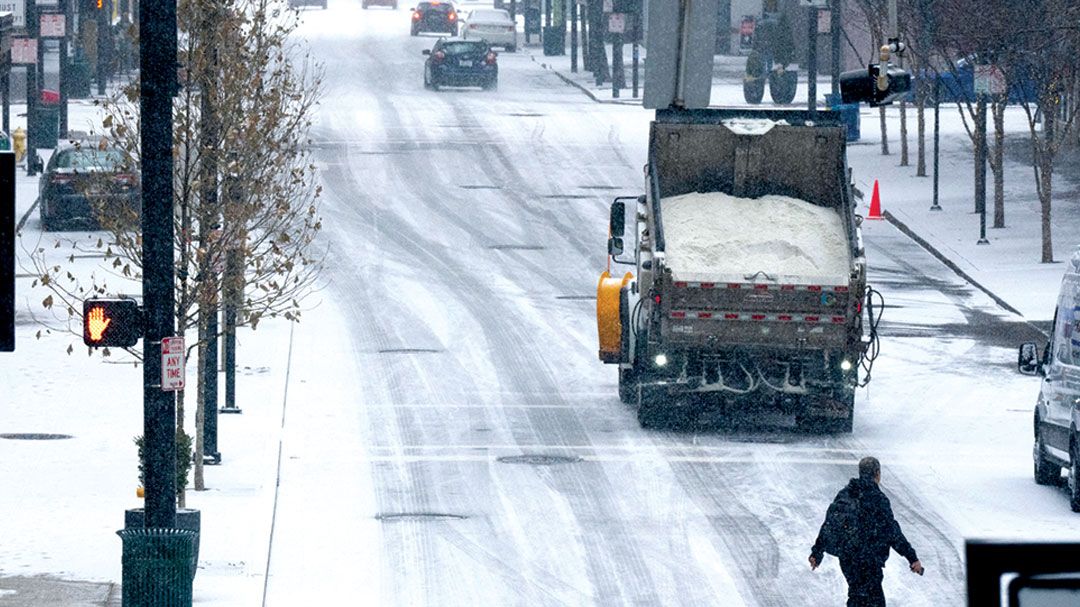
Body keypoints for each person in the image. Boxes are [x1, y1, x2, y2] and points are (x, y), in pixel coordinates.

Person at [809, 456, 924, 606]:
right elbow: (892, 532)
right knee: (872, 600)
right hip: (869, 560)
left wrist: (817, 552)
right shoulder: (878, 499)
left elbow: (830, 524)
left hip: (848, 558)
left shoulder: (845, 494)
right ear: (877, 474)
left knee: (857, 595)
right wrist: (912, 557)